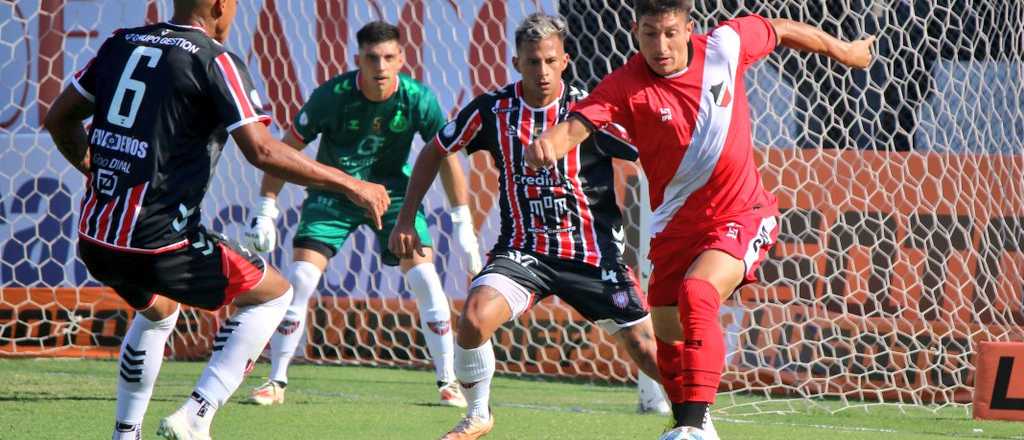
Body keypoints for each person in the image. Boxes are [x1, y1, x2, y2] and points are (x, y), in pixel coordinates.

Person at [524, 1, 874, 438]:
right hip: (674, 228)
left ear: (689, 28)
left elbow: (780, 28)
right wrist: (547, 146)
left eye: (670, 32)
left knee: (698, 293)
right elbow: (577, 126)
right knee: (668, 335)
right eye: (650, 33)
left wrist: (846, 52)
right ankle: (695, 422)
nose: (661, 45)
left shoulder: (726, 45)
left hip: (742, 214)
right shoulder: (625, 85)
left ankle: (691, 427)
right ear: (635, 31)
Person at [43, 0, 390, 438]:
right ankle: (196, 415)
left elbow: (58, 119)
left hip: (96, 240)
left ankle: (125, 433)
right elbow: (261, 150)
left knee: (159, 312)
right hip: (159, 244)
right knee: (275, 294)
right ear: (220, 4)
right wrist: (350, 184)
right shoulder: (214, 59)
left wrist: (99, 174)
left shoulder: (120, 42)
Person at [390, 13, 673, 440]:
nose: (541, 71)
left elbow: (647, 154)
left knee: (648, 351)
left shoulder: (589, 109)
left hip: (592, 255)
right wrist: (406, 217)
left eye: (550, 60)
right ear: (516, 63)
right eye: (532, 62)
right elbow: (435, 150)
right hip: (525, 250)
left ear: (565, 61)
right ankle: (478, 414)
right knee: (473, 318)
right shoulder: (493, 109)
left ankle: (697, 420)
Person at [243, 21, 481, 408]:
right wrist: (265, 208)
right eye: (372, 58)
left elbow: (446, 156)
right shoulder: (330, 96)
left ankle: (448, 382)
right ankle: (275, 382)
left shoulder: (418, 98)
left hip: (394, 198)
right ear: (359, 60)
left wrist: (463, 222)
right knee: (301, 278)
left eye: (389, 57)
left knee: (426, 280)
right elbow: (283, 151)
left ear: (402, 59)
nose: (381, 66)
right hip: (334, 194)